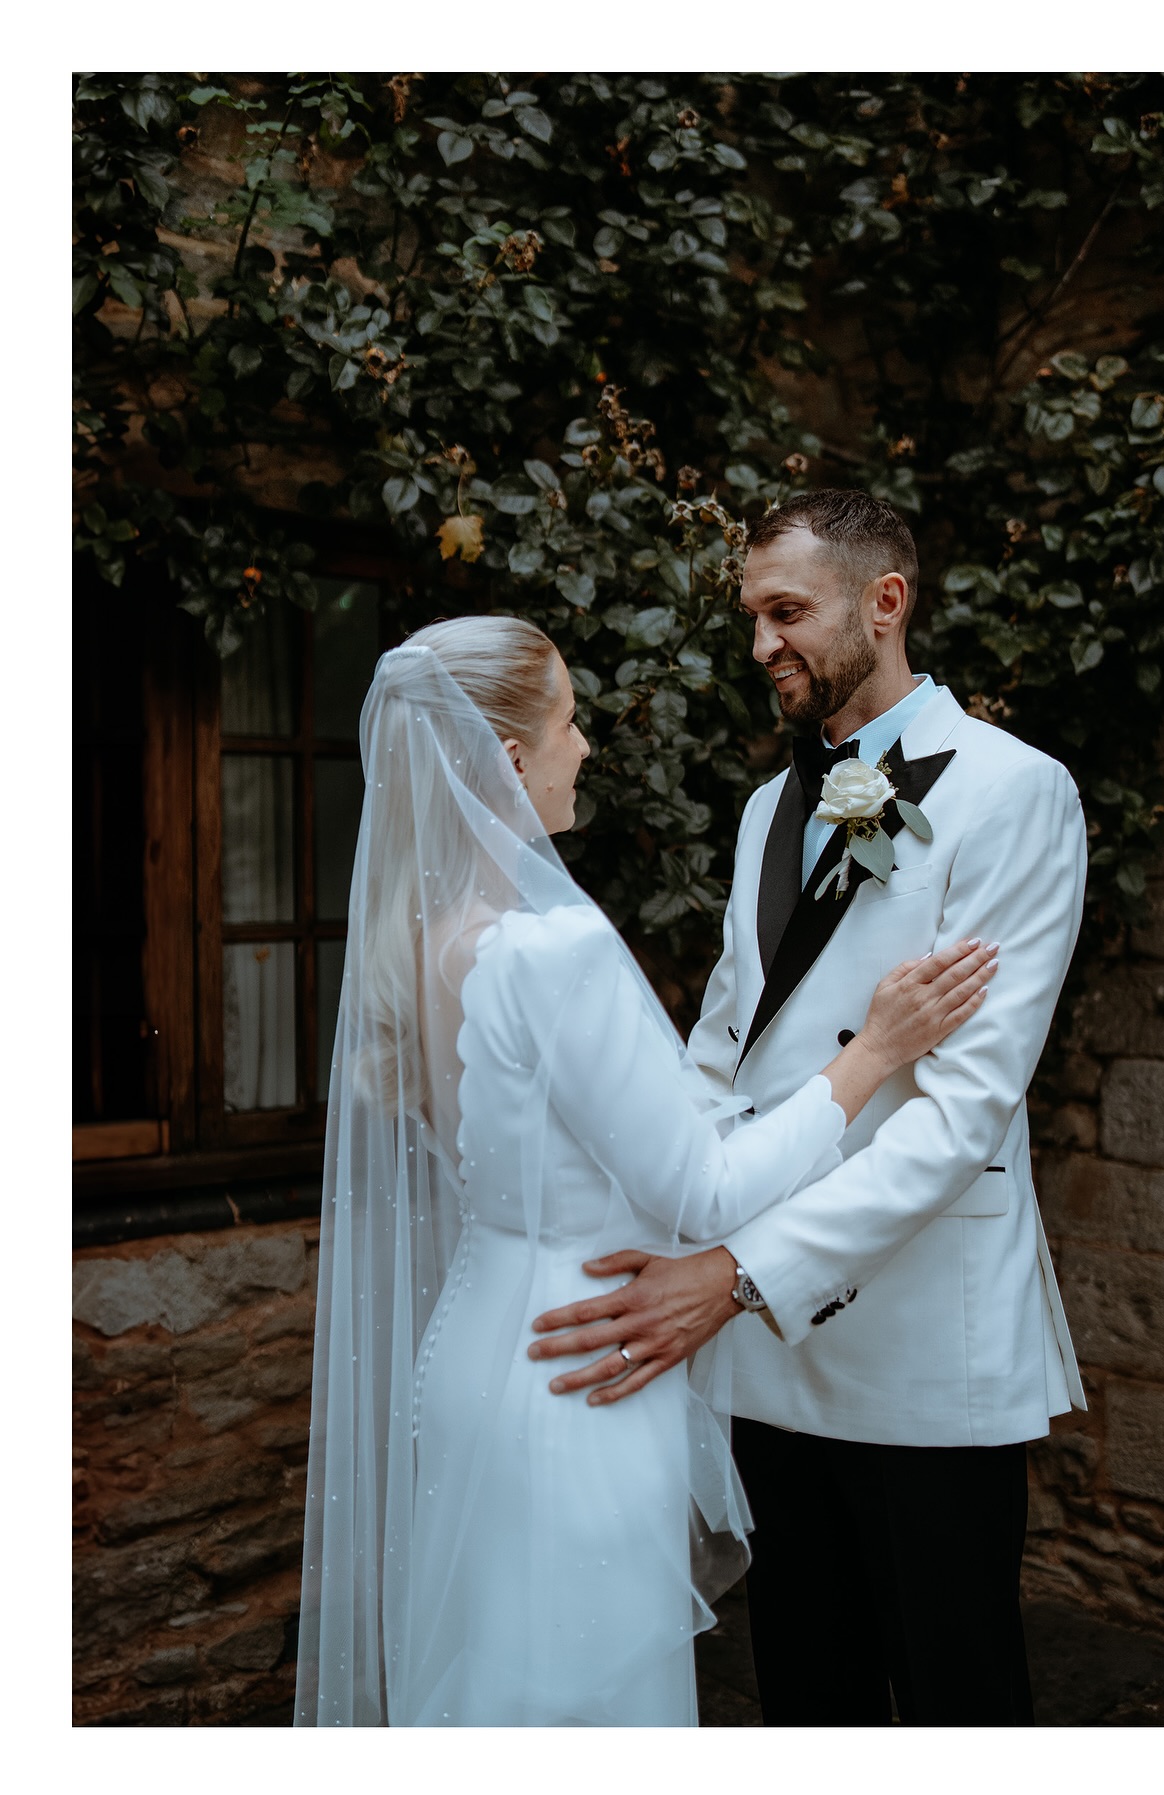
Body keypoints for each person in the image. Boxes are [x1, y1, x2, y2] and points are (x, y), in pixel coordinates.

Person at [293, 613, 996, 1726]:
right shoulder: (549, 949)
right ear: (507, 762)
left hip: (476, 1351)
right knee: (589, 1704)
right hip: (589, 1363)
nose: (587, 749)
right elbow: (702, 1195)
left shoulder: (416, 948)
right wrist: (872, 1057)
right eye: (570, 723)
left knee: (496, 1684)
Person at [528, 490, 1089, 1726]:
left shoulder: (1014, 792)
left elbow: (958, 1117)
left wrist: (732, 1271)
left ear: (885, 603)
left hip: (916, 1345)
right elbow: (726, 1045)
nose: (761, 643)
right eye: (751, 618)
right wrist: (659, 1202)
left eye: (786, 612)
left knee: (959, 1701)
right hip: (768, 1355)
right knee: (807, 1697)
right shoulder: (771, 806)